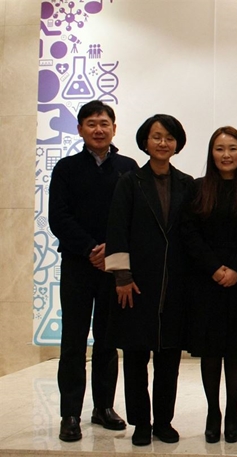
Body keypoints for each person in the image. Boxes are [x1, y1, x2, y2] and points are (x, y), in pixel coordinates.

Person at [48, 100, 137, 442]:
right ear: (80, 129)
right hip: (77, 264)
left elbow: (133, 218)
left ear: (114, 128)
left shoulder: (128, 168)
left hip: (115, 268)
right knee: (72, 341)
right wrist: (90, 249)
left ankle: (103, 407)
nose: (98, 129)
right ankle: (70, 412)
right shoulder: (66, 168)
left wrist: (111, 253)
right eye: (91, 124)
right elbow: (59, 217)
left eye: (104, 123)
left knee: (108, 340)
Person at [105, 114, 192, 446]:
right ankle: (141, 423)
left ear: (177, 144)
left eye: (169, 137)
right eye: (156, 137)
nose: (162, 143)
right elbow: (117, 230)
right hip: (137, 285)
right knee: (137, 358)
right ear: (145, 141)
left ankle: (164, 422)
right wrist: (122, 277)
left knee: (169, 358)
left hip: (175, 284)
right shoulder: (129, 182)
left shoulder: (188, 184)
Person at [181, 126, 237, 443]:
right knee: (210, 351)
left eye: (232, 148)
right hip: (206, 282)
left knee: (235, 350)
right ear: (211, 153)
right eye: (219, 148)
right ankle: (212, 410)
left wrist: (235, 269)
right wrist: (215, 269)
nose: (226, 154)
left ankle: (232, 410)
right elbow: (189, 234)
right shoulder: (198, 188)